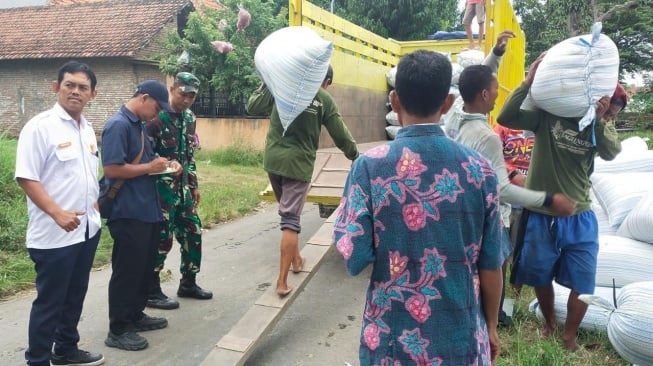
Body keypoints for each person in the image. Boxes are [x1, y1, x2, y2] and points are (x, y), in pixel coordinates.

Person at [334, 50, 507, 365]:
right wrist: (491, 327)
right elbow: (491, 263)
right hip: (462, 337)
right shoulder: (479, 170)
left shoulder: (369, 168)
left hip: (392, 339)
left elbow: (354, 255)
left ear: (395, 101)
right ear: (448, 104)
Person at [446, 31, 577, 326]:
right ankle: (495, 317)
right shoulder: (486, 137)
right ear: (484, 95)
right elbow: (502, 189)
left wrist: (497, 54)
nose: (496, 94)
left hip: (456, 208)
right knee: (497, 264)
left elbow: (474, 81)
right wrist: (547, 199)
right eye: (494, 90)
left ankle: (477, 310)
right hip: (483, 215)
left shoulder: (455, 113)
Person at [496, 53, 622, 351]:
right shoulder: (546, 115)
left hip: (580, 215)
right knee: (540, 274)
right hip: (541, 213)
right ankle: (550, 324)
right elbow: (506, 117)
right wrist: (527, 83)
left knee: (584, 280)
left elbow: (612, 152)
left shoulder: (598, 123)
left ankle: (568, 336)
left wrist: (601, 121)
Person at [15, 61, 105, 366]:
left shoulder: (89, 129)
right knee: (50, 303)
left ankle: (66, 349)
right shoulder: (40, 127)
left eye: (83, 87)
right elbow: (27, 177)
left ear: (93, 94)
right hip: (54, 235)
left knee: (75, 296)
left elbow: (87, 172)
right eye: (70, 85)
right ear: (56, 88)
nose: (75, 92)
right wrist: (56, 213)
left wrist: (94, 202)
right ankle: (37, 360)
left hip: (87, 229)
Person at [246, 65, 359, 297]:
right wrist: (356, 157)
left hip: (273, 162)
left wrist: (268, 81)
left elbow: (252, 106)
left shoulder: (283, 88)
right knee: (291, 220)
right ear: (326, 80)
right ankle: (281, 282)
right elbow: (340, 134)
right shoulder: (323, 99)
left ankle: (297, 260)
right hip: (297, 166)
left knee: (287, 213)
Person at [101, 80, 179, 351]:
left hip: (147, 209)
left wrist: (165, 165)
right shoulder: (118, 125)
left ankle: (135, 314)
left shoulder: (139, 127)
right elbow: (112, 169)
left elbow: (146, 163)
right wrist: (149, 167)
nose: (157, 115)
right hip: (128, 211)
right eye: (156, 108)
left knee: (143, 268)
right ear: (144, 98)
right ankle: (119, 328)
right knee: (127, 271)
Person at [145, 72, 212, 310]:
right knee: (163, 239)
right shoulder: (156, 118)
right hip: (161, 192)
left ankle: (188, 282)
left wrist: (193, 185)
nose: (186, 100)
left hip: (183, 190)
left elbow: (189, 155)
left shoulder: (190, 118)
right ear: (172, 90)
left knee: (193, 232)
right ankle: (151, 290)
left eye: (192, 96)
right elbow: (144, 155)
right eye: (183, 94)